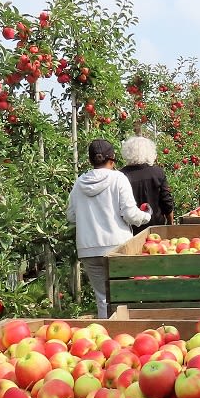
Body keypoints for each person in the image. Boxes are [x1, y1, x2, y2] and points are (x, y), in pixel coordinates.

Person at [67, 139, 150, 318]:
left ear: (90, 161)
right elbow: (130, 214)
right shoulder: (118, 178)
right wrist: (146, 216)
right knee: (122, 296)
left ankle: (105, 336)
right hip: (117, 247)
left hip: (89, 249)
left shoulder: (79, 182)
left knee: (102, 298)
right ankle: (123, 336)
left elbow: (71, 216)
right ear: (112, 160)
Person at [119, 136, 174, 233]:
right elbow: (166, 202)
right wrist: (170, 224)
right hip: (156, 228)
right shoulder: (157, 172)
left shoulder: (121, 175)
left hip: (131, 230)